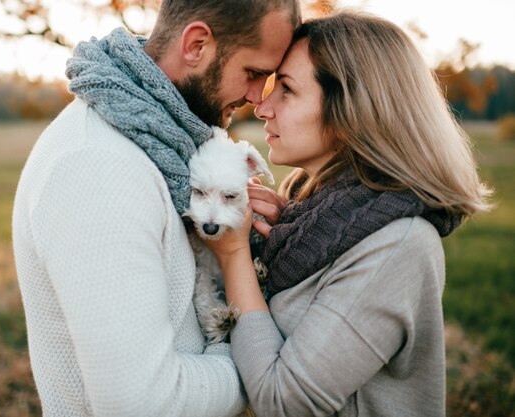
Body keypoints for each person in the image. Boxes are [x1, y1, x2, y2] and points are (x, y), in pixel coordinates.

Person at [12, 1, 300, 416]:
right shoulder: (97, 164)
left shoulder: (167, 143)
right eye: (253, 74)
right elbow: (142, 404)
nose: (258, 99)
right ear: (196, 45)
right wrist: (262, 361)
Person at [205, 10, 493, 417]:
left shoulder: (398, 245)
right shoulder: (309, 214)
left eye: (286, 89)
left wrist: (234, 256)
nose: (262, 106)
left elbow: (283, 402)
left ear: (351, 111)